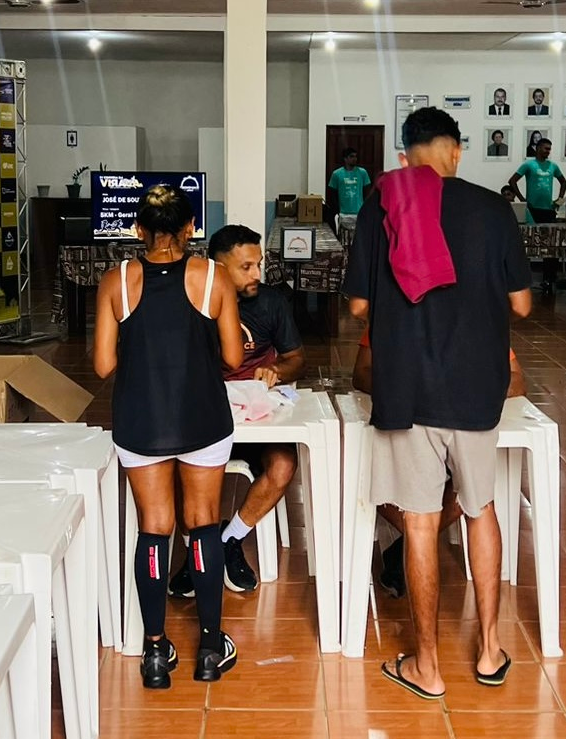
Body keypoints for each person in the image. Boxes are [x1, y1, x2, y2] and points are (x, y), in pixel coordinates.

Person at [343, 106, 532, 699]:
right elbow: (522, 305)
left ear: (406, 153)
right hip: (477, 386)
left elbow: (354, 308)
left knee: (420, 525)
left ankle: (425, 666)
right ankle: (490, 649)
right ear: (455, 150)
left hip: (408, 385)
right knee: (481, 511)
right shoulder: (494, 208)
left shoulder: (383, 203)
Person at [93, 185, 243, 689]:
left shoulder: (115, 280)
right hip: (202, 418)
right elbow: (233, 359)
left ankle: (154, 651)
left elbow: (102, 364)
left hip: (140, 420)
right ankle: (208, 645)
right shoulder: (212, 278)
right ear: (189, 230)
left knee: (154, 528)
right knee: (202, 525)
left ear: (138, 230)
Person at [168, 224, 306, 596]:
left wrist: (276, 371)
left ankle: (229, 539)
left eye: (258, 264)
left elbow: (296, 359)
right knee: (175, 470)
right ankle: (193, 553)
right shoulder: (192, 300)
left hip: (258, 419)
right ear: (217, 266)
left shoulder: (272, 303)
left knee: (283, 466)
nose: (257, 275)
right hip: (207, 419)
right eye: (246, 267)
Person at [351, 328, 527, 599]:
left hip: (463, 426)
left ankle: (409, 550)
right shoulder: (392, 312)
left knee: (468, 487)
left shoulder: (475, 317)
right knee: (372, 478)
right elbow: (361, 372)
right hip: (411, 427)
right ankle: (413, 546)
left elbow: (516, 378)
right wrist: (406, 390)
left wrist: (473, 391)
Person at [508, 138, 566, 224]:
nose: (548, 151)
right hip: (532, 208)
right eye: (546, 148)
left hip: (549, 208)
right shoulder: (528, 164)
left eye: (549, 149)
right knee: (532, 235)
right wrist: (522, 199)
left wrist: (559, 200)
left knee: (548, 235)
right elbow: (512, 181)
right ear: (538, 148)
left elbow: (563, 182)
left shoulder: (553, 166)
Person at [327, 147, 371, 218]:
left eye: (355, 156)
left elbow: (368, 192)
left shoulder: (363, 173)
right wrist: (337, 209)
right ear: (345, 159)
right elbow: (332, 194)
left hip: (359, 212)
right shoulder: (337, 174)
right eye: (351, 156)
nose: (354, 159)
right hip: (343, 213)